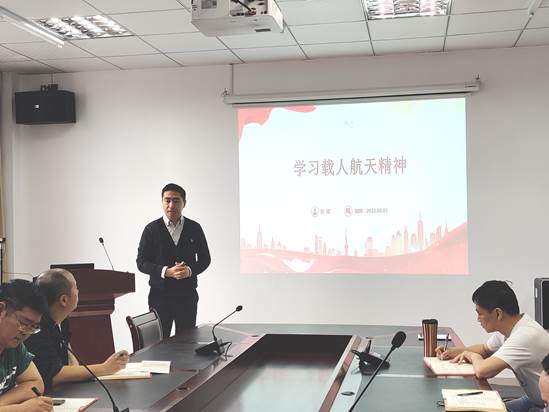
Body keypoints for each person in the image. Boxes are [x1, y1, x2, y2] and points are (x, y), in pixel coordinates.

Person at [436, 280, 549, 412]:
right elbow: (485, 349)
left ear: (498, 313)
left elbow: (483, 370)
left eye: (480, 313)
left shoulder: (525, 336)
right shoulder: (514, 326)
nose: (478, 319)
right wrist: (454, 351)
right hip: (534, 399)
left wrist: (472, 356)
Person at [25, 269, 129, 389]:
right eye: (75, 287)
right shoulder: (37, 328)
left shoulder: (62, 319)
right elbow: (53, 375)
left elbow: (66, 348)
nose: (78, 291)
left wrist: (74, 363)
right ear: (64, 300)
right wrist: (105, 368)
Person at [137, 183, 211, 338]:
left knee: (186, 344)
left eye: (176, 200)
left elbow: (205, 259)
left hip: (187, 296)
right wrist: (166, 271)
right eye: (167, 200)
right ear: (162, 202)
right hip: (159, 296)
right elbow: (141, 262)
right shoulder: (151, 229)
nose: (171, 205)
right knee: (158, 344)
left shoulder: (195, 228)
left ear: (184, 203)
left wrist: (189, 270)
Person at [0, 279, 52, 412]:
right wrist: (20, 409)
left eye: (33, 327)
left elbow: (35, 383)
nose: (26, 332)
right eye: (24, 323)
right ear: (1, 310)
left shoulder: (14, 346)